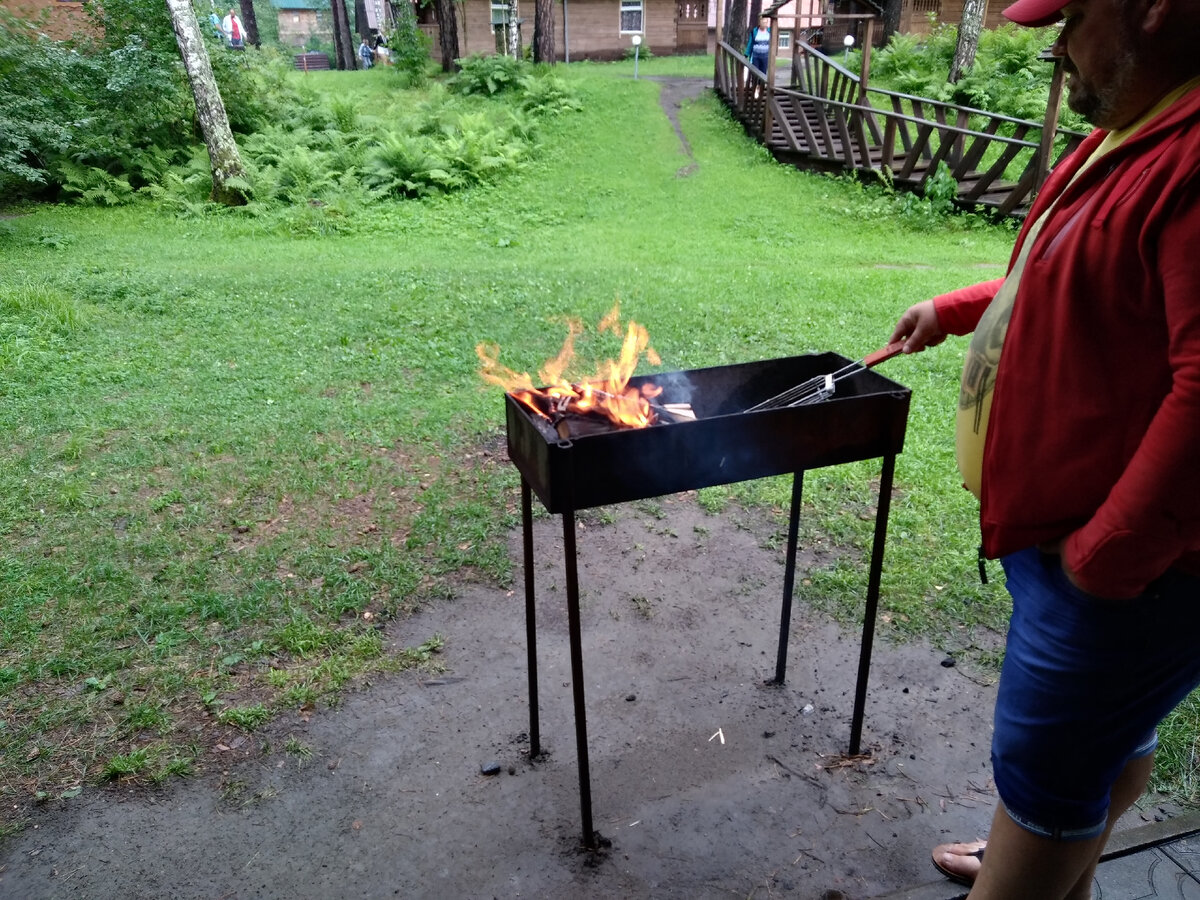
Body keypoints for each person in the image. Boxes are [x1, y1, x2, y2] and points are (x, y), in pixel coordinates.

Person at [887, 0, 1200, 894]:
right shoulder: (1143, 127)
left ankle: (1032, 861)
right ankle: (1057, 853)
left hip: (1123, 572)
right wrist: (953, 311)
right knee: (1111, 737)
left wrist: (1104, 557)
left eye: (1071, 18)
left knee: (1048, 758)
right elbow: (1078, 272)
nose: (1058, 46)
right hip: (1072, 547)